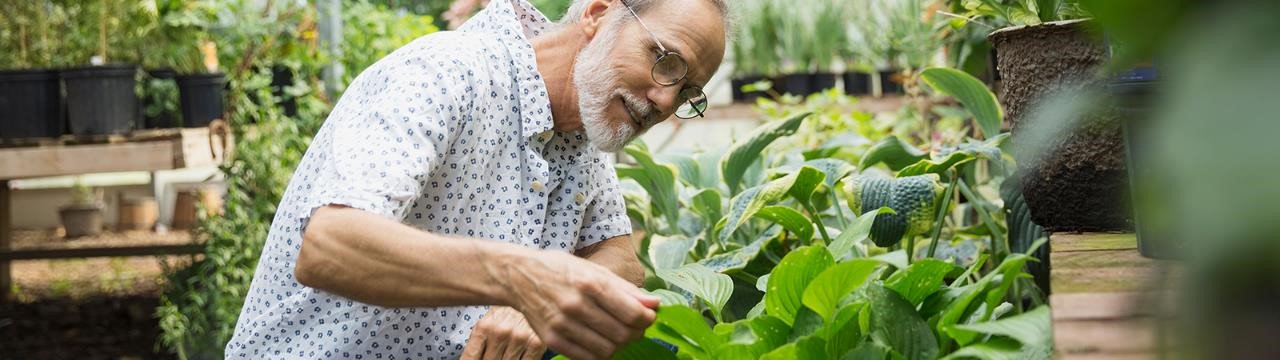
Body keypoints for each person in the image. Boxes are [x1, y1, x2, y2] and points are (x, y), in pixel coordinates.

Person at [224, 0, 729, 359]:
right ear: (598, 14)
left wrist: (538, 303)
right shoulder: (448, 71)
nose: (666, 102)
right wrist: (521, 280)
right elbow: (331, 246)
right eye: (665, 62)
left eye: (688, 91)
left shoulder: (580, 124)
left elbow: (621, 260)